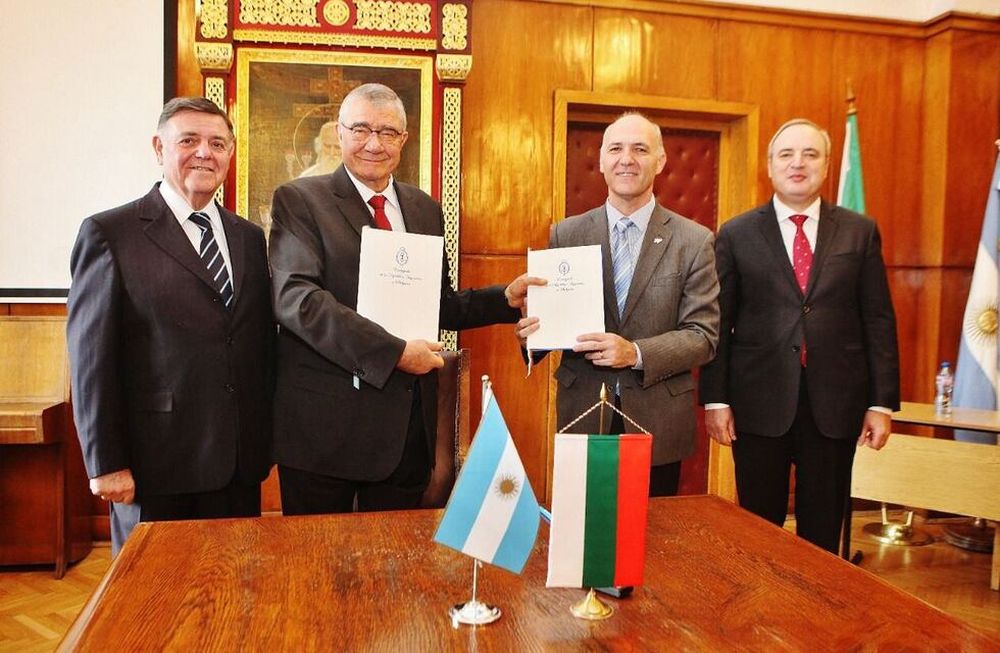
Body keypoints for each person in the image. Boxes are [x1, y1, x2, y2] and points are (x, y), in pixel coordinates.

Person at [268, 83, 541, 514]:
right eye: (360, 129)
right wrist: (395, 352)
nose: (373, 143)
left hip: (405, 430)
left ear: (404, 139)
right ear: (339, 133)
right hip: (325, 431)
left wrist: (504, 299)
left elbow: (439, 304)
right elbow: (298, 300)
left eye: (387, 132)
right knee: (317, 570)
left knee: (395, 569)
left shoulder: (424, 209)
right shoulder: (300, 200)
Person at [67, 97, 275, 555]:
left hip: (239, 465)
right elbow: (90, 360)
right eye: (189, 141)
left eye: (217, 143)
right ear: (159, 148)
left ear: (230, 154)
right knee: (154, 606)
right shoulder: (110, 233)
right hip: (154, 467)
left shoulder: (248, 237)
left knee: (232, 595)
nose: (205, 152)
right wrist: (105, 463)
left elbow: (257, 344)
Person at [699, 118, 900, 554]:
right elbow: (717, 320)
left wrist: (881, 403)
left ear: (826, 166)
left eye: (810, 154)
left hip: (836, 403)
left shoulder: (858, 231)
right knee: (757, 523)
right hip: (758, 402)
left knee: (823, 527)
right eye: (787, 154)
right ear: (770, 167)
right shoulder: (736, 234)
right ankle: (763, 607)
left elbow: (878, 319)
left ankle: (818, 611)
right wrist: (715, 399)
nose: (798, 163)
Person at [515, 112, 720, 497]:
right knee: (585, 540)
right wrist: (531, 331)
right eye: (616, 149)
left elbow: (703, 336)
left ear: (660, 162)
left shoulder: (694, 241)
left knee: (652, 542)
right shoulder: (567, 233)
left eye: (640, 149)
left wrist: (635, 352)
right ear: (602, 161)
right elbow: (549, 328)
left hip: (657, 418)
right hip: (583, 413)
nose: (627, 159)